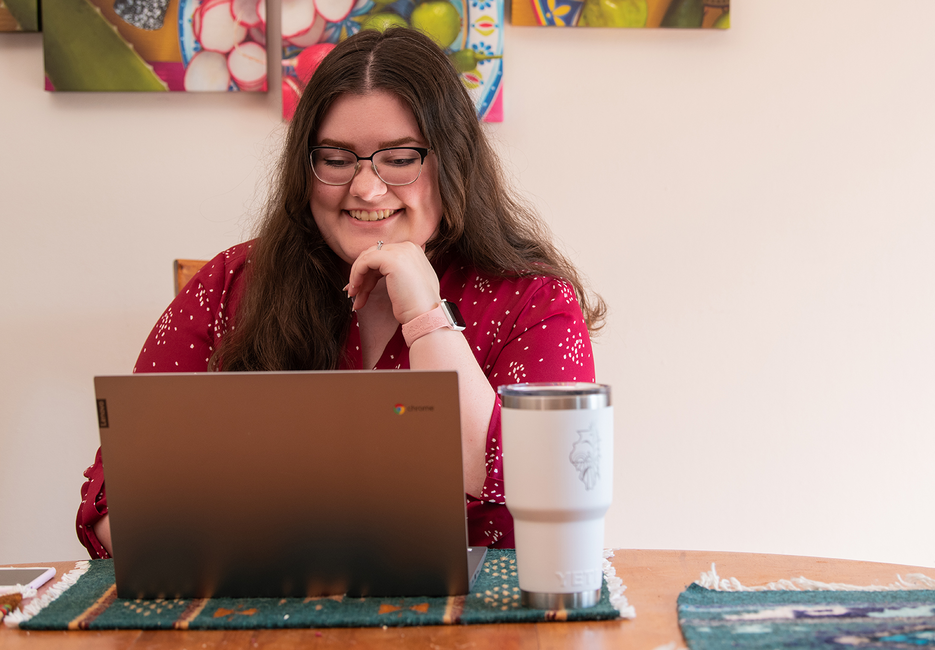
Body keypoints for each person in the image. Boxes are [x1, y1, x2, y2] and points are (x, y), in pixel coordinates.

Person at [75, 28, 605, 559]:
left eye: (400, 158)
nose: (367, 189)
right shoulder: (229, 284)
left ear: (453, 162)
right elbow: (113, 508)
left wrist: (427, 317)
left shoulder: (535, 300)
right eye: (336, 158)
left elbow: (546, 493)